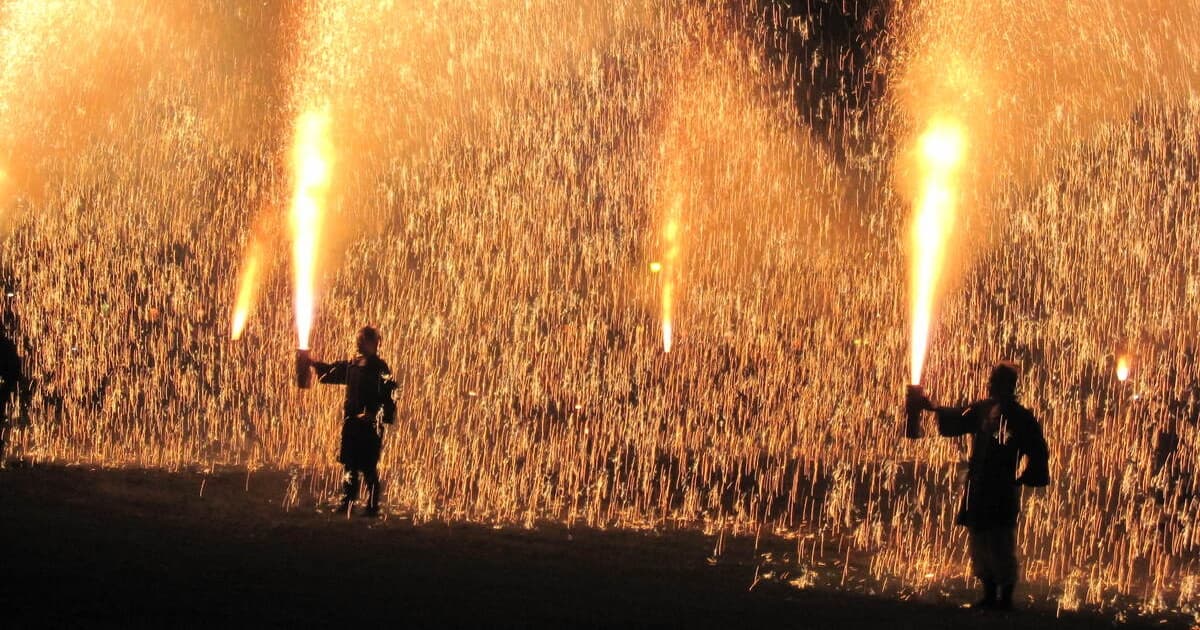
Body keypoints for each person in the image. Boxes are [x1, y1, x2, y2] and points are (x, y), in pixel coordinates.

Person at [910, 362, 1050, 610]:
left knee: (1000, 541)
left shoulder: (1020, 417)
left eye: (995, 381)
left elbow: (1037, 449)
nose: (990, 384)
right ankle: (988, 593)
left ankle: (1004, 597)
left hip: (1001, 488)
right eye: (992, 380)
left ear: (1008, 385)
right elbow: (958, 416)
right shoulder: (982, 410)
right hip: (979, 486)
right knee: (980, 540)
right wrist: (931, 407)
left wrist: (1028, 475)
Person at [312, 326, 397, 516]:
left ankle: (372, 507)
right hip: (352, 423)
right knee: (350, 464)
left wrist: (376, 415)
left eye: (370, 341)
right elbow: (331, 372)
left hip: (370, 425)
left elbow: (391, 393)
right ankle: (347, 502)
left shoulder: (380, 367)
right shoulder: (352, 365)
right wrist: (313, 363)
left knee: (368, 467)